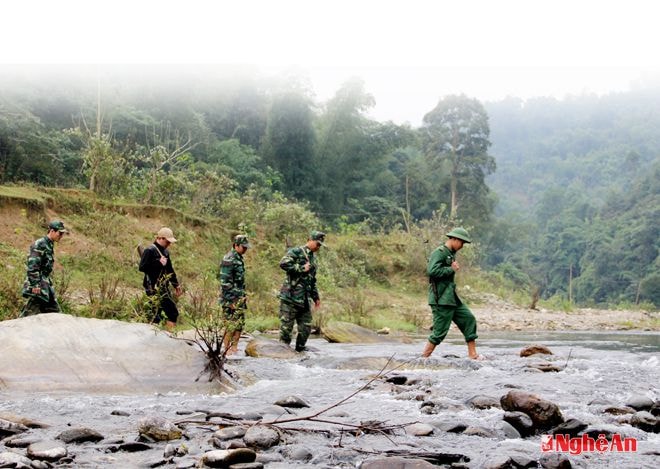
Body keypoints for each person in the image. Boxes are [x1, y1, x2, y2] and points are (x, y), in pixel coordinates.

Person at [421, 227, 482, 359]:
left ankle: (473, 355)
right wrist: (451, 269)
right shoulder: (440, 252)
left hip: (451, 298)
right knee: (439, 332)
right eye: (462, 242)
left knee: (468, 319)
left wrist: (450, 269)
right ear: (454, 239)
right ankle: (423, 359)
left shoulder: (450, 253)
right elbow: (432, 272)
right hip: (441, 298)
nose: (462, 246)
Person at [278, 230, 325, 352]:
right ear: (309, 240)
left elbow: (312, 280)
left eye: (320, 245)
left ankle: (300, 351)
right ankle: (283, 354)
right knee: (286, 330)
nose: (318, 247)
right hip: (290, 297)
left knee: (306, 328)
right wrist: (301, 268)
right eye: (317, 243)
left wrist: (316, 297)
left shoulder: (313, 259)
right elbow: (283, 263)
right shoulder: (296, 251)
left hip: (304, 299)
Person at [20, 220, 69, 316]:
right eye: (60, 233)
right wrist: (35, 285)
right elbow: (32, 266)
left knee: (55, 314)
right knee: (28, 315)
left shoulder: (49, 244)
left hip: (45, 286)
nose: (61, 236)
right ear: (52, 231)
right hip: (38, 287)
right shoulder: (40, 244)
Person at [139, 227, 182, 330]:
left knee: (172, 313)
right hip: (152, 287)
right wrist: (158, 263)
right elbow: (142, 267)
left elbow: (169, 270)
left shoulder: (165, 252)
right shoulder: (149, 250)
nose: (169, 244)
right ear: (161, 238)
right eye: (167, 241)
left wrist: (176, 284)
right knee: (155, 314)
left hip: (163, 287)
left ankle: (169, 336)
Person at [219, 234, 250, 355]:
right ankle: (226, 349)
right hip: (230, 299)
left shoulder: (238, 258)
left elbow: (239, 281)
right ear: (236, 245)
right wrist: (231, 300)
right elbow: (225, 282)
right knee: (230, 324)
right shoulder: (229, 258)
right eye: (243, 247)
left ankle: (234, 347)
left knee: (240, 323)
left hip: (239, 298)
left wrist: (243, 295)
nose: (245, 249)